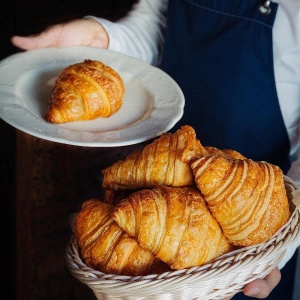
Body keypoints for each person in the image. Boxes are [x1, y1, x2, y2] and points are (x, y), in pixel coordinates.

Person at [11, 0, 300, 299]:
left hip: (252, 239)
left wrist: (280, 243)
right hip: (160, 179)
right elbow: (160, 23)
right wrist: (103, 38)